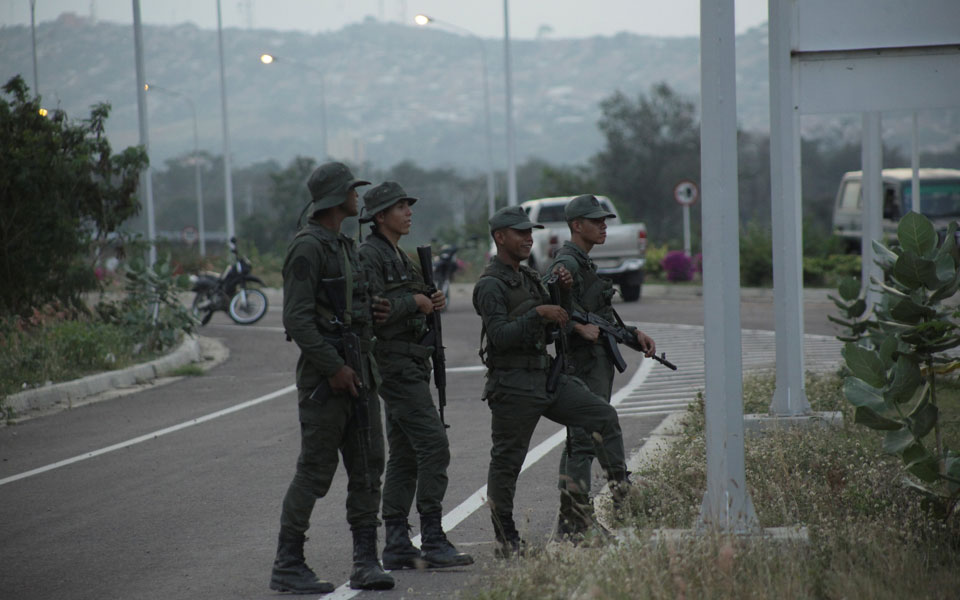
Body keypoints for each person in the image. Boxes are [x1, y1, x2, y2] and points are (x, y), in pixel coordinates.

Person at [472, 205, 632, 557]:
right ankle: (506, 538)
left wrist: (561, 297)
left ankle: (621, 494)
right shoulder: (489, 285)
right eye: (520, 233)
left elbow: (553, 325)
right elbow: (499, 335)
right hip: (512, 385)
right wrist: (538, 313)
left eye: (531, 232)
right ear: (500, 237)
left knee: (600, 416)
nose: (529, 238)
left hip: (546, 376)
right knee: (507, 463)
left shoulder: (529, 278)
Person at [269, 161, 394, 593]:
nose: (357, 196)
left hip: (360, 371)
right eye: (352, 191)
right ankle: (288, 563)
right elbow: (298, 320)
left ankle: (366, 560)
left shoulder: (342, 245)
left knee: (367, 469)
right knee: (315, 471)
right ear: (335, 198)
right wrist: (333, 367)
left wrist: (374, 311)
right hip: (328, 381)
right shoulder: (308, 247)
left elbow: (351, 305)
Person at [357, 181, 474, 570]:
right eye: (400, 207)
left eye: (408, 205)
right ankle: (433, 536)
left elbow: (413, 296)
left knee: (406, 453)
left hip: (410, 363)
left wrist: (430, 298)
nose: (408, 212)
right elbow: (376, 308)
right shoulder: (370, 254)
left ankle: (395, 543)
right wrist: (417, 302)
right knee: (434, 445)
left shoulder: (399, 254)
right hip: (393, 364)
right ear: (379, 216)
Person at [546, 194, 656, 541]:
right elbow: (548, 311)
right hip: (580, 363)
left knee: (581, 439)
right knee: (582, 440)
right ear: (577, 226)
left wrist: (632, 335)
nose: (604, 226)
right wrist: (576, 328)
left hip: (596, 362)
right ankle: (578, 522)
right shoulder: (568, 263)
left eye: (604, 220)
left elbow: (602, 317)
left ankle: (570, 519)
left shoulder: (585, 263)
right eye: (596, 221)